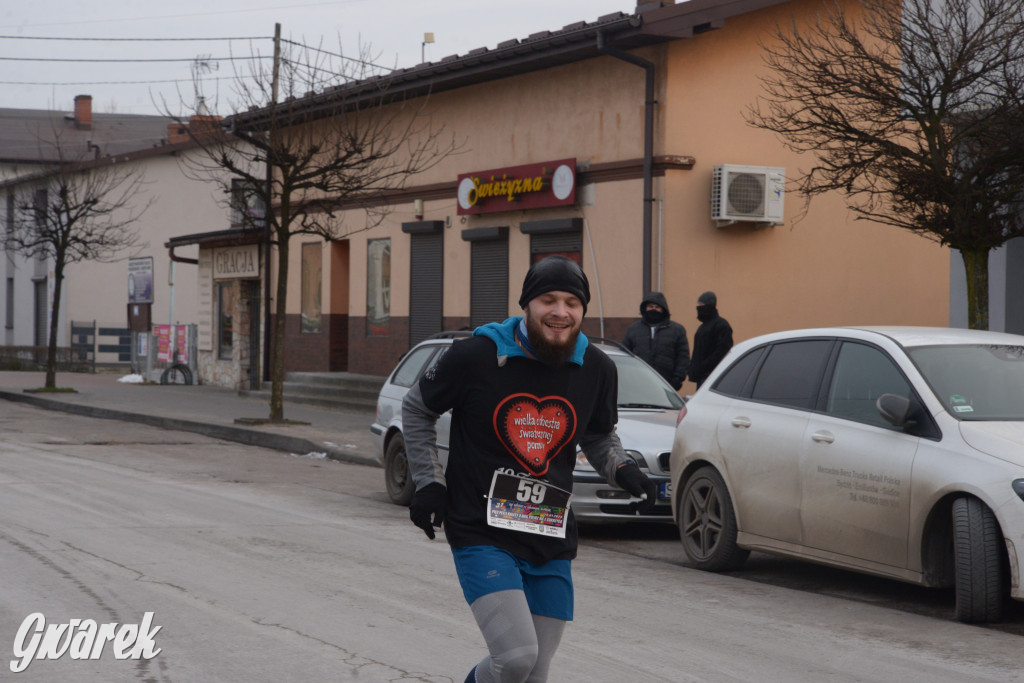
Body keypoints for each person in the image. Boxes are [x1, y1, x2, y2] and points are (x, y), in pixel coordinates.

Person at [402, 255, 657, 683]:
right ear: (527, 304)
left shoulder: (597, 368)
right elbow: (416, 408)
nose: (560, 312)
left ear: (582, 310)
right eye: (548, 300)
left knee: (534, 672)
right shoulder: (476, 356)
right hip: (480, 529)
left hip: (548, 531)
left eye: (572, 303)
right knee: (516, 657)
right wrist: (429, 482)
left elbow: (598, 436)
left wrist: (623, 470)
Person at [620, 292, 689, 390]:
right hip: (637, 383)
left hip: (666, 384)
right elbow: (624, 353)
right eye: (650, 306)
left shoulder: (677, 330)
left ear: (663, 309)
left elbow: (683, 357)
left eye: (657, 307)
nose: (653, 309)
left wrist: (677, 379)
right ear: (645, 308)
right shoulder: (633, 329)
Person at [688, 290, 733, 388]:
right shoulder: (703, 327)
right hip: (702, 376)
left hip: (711, 376)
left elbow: (722, 350)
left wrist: (704, 365)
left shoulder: (721, 325)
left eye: (701, 305)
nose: (699, 308)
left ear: (709, 306)